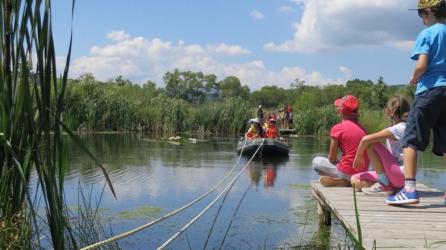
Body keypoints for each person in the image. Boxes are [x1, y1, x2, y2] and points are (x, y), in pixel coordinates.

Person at [387, 0, 446, 205]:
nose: (422, 20)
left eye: (422, 15)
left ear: (429, 12)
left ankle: (410, 189)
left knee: (411, 138)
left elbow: (422, 64)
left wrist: (415, 77)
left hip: (429, 90)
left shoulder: (428, 33)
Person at [351, 96, 410, 196]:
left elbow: (366, 139)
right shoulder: (405, 127)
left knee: (371, 142)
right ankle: (387, 185)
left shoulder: (400, 128)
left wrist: (358, 156)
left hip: (400, 175)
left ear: (388, 111)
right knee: (354, 179)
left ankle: (385, 185)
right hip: (398, 176)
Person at [312, 95, 370, 187]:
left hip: (346, 172)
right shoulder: (364, 129)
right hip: (361, 172)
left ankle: (343, 181)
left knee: (316, 161)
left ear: (340, 110)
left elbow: (331, 157)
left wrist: (338, 161)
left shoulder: (338, 128)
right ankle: (348, 181)